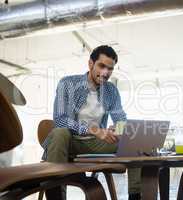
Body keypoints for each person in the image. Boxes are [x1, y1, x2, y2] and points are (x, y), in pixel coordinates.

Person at [42, 45, 141, 200]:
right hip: (70, 140)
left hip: (96, 143)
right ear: (90, 64)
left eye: (110, 69)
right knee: (60, 132)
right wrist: (94, 130)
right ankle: (56, 197)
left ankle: (135, 196)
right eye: (101, 66)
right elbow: (60, 120)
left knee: (133, 138)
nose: (105, 73)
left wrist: (120, 128)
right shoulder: (67, 84)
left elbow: (121, 118)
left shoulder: (111, 91)